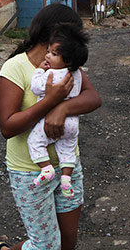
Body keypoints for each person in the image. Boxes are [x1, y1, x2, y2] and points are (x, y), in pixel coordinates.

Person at [0, 4, 101, 250]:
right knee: (45, 246)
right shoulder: (15, 69)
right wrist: (50, 101)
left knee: (66, 243)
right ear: (55, 34)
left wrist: (62, 108)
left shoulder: (67, 66)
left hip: (67, 167)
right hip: (30, 173)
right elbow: (7, 127)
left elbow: (93, 98)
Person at [27, 23, 89, 200]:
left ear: (68, 60)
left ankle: (46, 169)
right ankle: (66, 179)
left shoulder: (52, 74)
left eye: (53, 54)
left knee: (35, 141)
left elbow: (36, 88)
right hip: (71, 122)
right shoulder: (77, 74)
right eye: (48, 51)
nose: (47, 56)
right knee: (68, 149)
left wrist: (39, 70)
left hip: (50, 120)